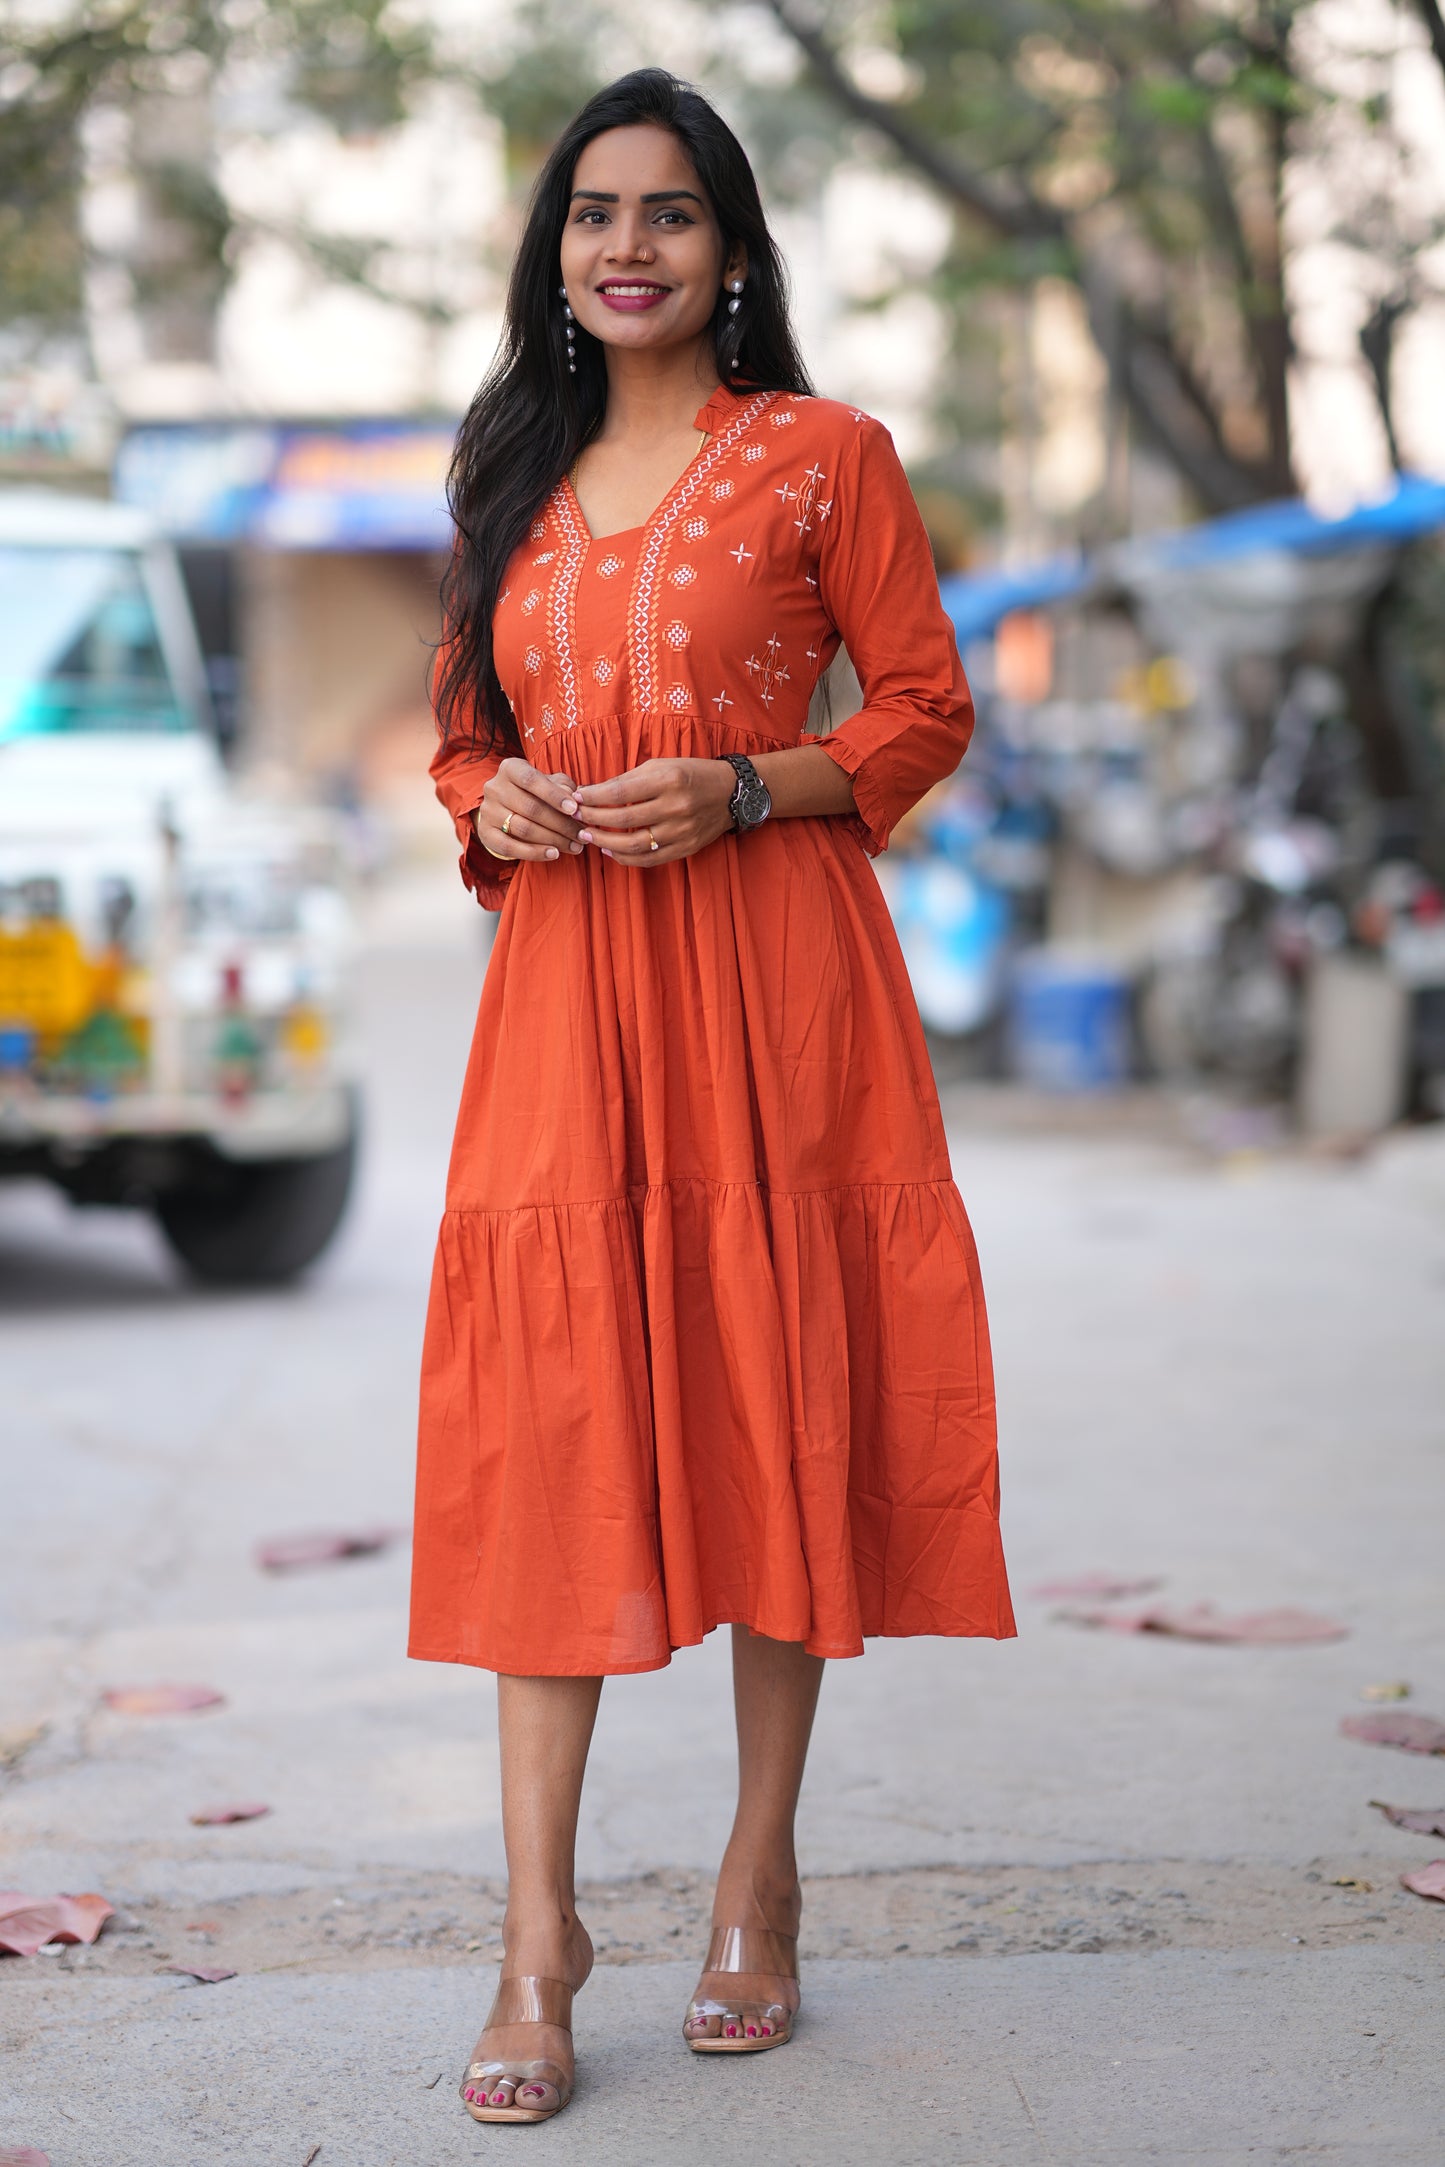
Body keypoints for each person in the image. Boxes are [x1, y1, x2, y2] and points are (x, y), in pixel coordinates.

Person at [410, 65, 1015, 2127]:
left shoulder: (826, 456)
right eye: (596, 213)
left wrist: (751, 781)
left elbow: (925, 705)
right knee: (553, 1418)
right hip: (572, 994)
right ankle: (538, 1930)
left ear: (734, 252)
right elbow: (459, 748)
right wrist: (520, 798)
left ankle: (759, 1874)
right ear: (556, 252)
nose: (630, 247)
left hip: (778, 979)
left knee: (779, 1389)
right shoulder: (509, 471)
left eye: (671, 213)